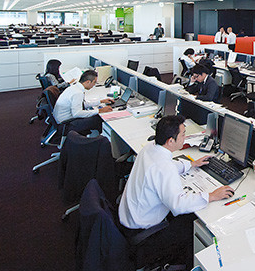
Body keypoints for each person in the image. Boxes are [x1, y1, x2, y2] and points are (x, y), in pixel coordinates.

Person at [119, 115, 234, 269]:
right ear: (170, 141)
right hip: (142, 233)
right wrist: (212, 196)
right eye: (183, 134)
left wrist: (191, 164)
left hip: (129, 217)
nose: (186, 138)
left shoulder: (150, 149)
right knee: (192, 223)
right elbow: (178, 205)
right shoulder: (163, 167)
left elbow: (166, 166)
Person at [53, 70, 113, 136]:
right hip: (66, 124)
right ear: (88, 82)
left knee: (94, 115)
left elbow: (81, 104)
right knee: (98, 118)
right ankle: (95, 140)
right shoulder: (77, 93)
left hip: (62, 120)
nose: (94, 85)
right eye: (94, 82)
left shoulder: (74, 87)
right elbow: (77, 113)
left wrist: (100, 101)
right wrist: (99, 111)